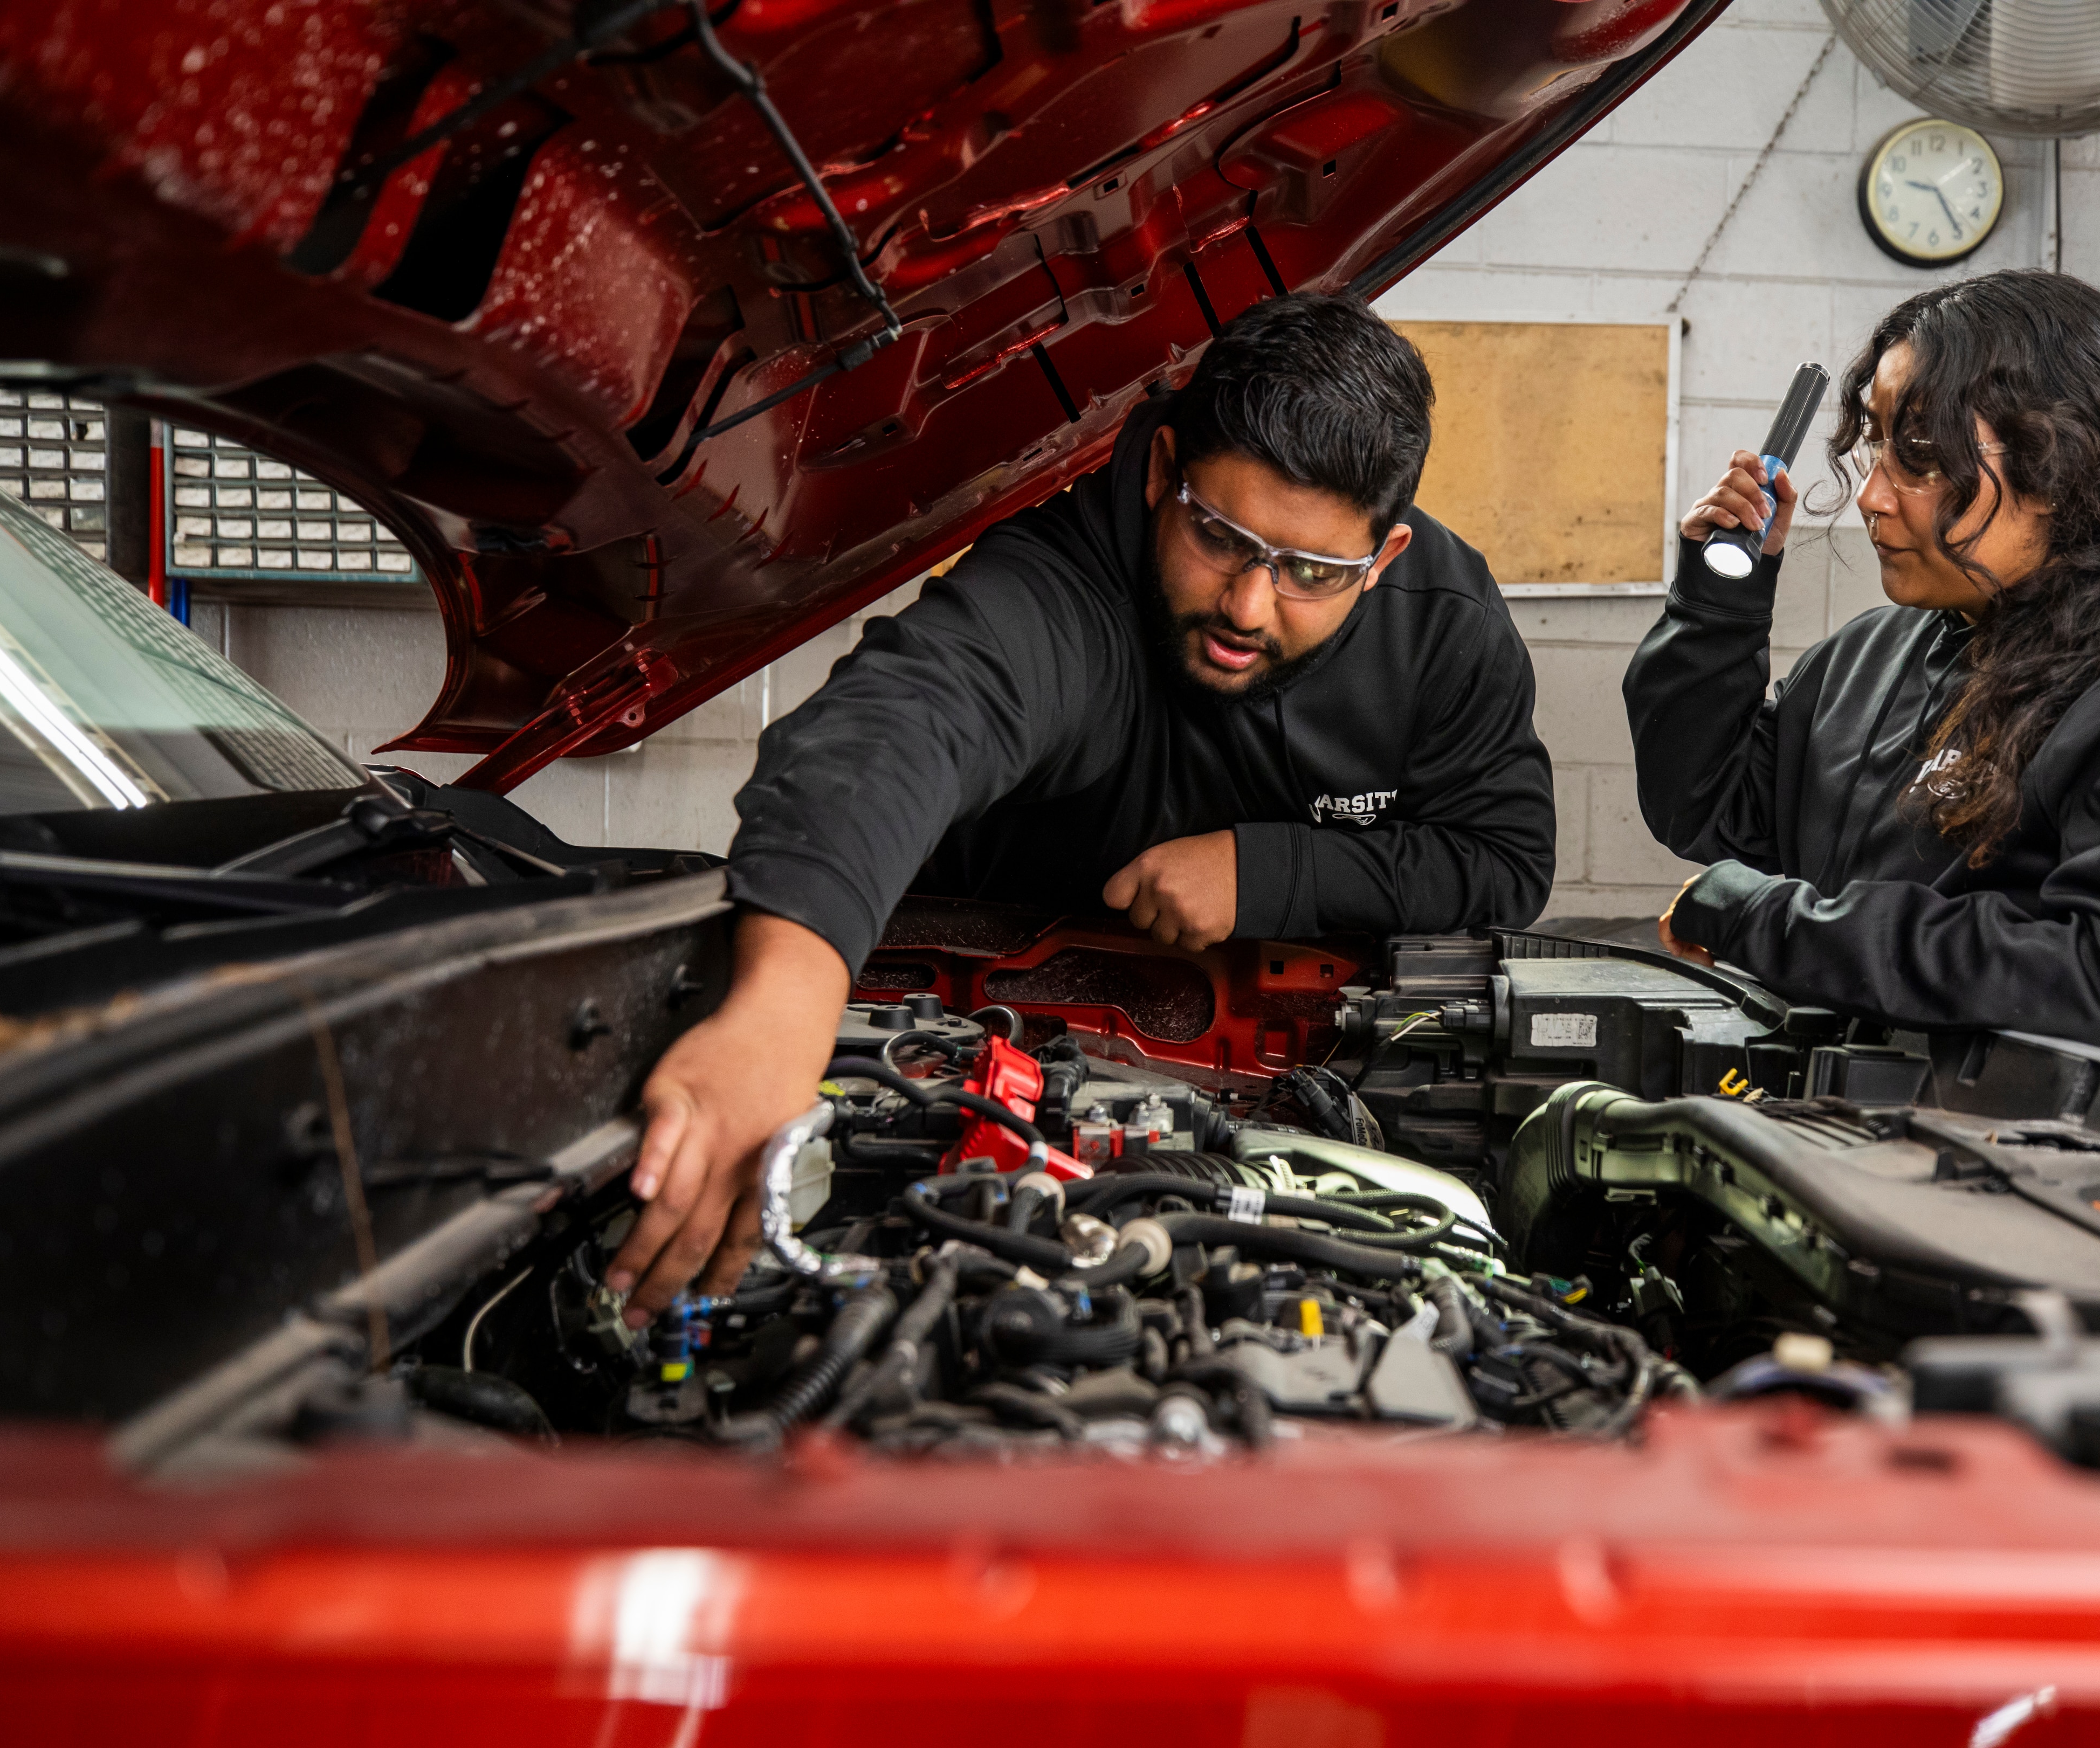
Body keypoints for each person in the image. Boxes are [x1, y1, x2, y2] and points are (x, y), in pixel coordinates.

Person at [609, 292, 1555, 1323]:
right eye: (1220, 536)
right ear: (1161, 477)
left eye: (1313, 573)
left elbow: (1505, 856)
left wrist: (1268, 870)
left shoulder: (1446, 634)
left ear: (1384, 561)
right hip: (968, 1049)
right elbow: (906, 720)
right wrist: (784, 1002)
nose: (1248, 604)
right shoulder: (1068, 579)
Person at [1631, 268, 2100, 1074]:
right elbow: (1702, 806)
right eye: (1878, 443)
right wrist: (1715, 606)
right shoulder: (1873, 660)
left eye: (1919, 455)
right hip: (1856, 1151)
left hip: (2046, 1177)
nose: (1872, 495)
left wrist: (1778, 923)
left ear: (2056, 461)